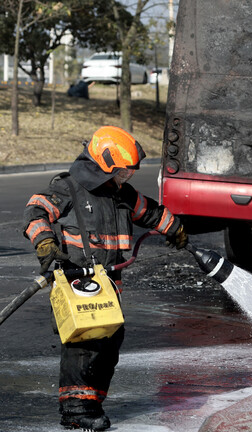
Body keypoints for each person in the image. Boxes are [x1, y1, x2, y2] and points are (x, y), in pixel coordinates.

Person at [22, 126, 188, 431]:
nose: (127, 176)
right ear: (104, 163)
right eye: (123, 170)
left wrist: (174, 227)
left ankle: (92, 403)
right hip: (77, 282)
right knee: (83, 344)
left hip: (109, 285)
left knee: (109, 345)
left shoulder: (121, 193)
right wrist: (45, 242)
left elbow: (149, 212)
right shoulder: (68, 188)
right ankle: (75, 409)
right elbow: (36, 211)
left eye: (130, 171)